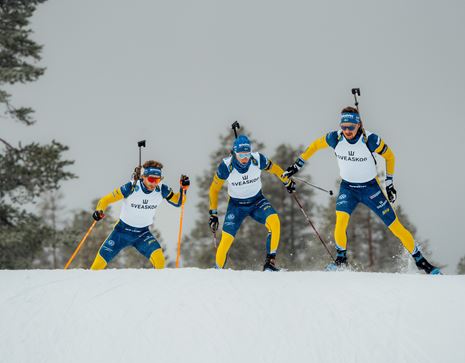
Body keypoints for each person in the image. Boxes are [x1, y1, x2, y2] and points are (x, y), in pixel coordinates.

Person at [283, 107, 441, 274]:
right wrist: (297, 165)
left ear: (358, 125)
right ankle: (341, 260)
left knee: (395, 226)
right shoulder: (335, 138)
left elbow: (390, 156)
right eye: (344, 127)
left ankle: (421, 262)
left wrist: (389, 183)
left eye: (351, 127)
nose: (347, 131)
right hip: (348, 188)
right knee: (341, 220)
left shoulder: (370, 140)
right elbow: (315, 146)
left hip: (370, 189)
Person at [209, 135, 295, 271]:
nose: (245, 159)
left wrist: (287, 182)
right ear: (234, 153)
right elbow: (214, 190)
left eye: (247, 154)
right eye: (241, 155)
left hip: (257, 201)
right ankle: (218, 270)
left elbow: (275, 169)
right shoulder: (226, 166)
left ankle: (270, 264)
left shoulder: (257, 159)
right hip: (236, 206)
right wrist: (213, 213)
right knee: (226, 239)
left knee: (274, 221)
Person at [90, 160, 190, 270]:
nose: (154, 183)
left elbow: (178, 202)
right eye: (151, 179)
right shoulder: (131, 187)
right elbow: (106, 200)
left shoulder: (162, 189)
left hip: (142, 234)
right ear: (143, 176)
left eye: (157, 180)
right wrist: (99, 211)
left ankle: (158, 286)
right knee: (97, 266)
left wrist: (183, 189)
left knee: (160, 260)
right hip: (121, 232)